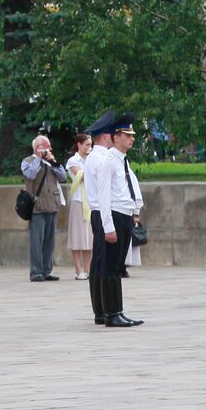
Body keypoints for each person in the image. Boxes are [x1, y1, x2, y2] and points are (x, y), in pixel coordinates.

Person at [84, 110, 144, 327]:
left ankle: (115, 310)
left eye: (131, 135)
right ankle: (110, 313)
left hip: (123, 215)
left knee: (116, 267)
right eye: (127, 135)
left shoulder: (120, 161)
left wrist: (134, 211)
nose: (131, 138)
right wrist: (108, 226)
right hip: (112, 216)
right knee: (108, 266)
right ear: (114, 136)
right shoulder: (107, 160)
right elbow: (104, 197)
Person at [21, 135, 67, 282]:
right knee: (37, 241)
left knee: (49, 241)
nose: (50, 149)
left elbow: (63, 177)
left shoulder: (51, 162)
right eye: (47, 146)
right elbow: (30, 174)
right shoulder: (28, 162)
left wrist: (53, 162)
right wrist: (38, 159)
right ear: (38, 147)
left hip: (52, 205)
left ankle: (47, 271)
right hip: (37, 207)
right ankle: (36, 272)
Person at [65, 133, 93, 280]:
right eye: (87, 144)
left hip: (90, 201)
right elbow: (81, 176)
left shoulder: (91, 159)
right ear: (79, 145)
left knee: (89, 238)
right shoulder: (72, 160)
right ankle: (78, 270)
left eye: (90, 145)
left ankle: (88, 269)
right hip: (78, 201)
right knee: (77, 237)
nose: (89, 147)